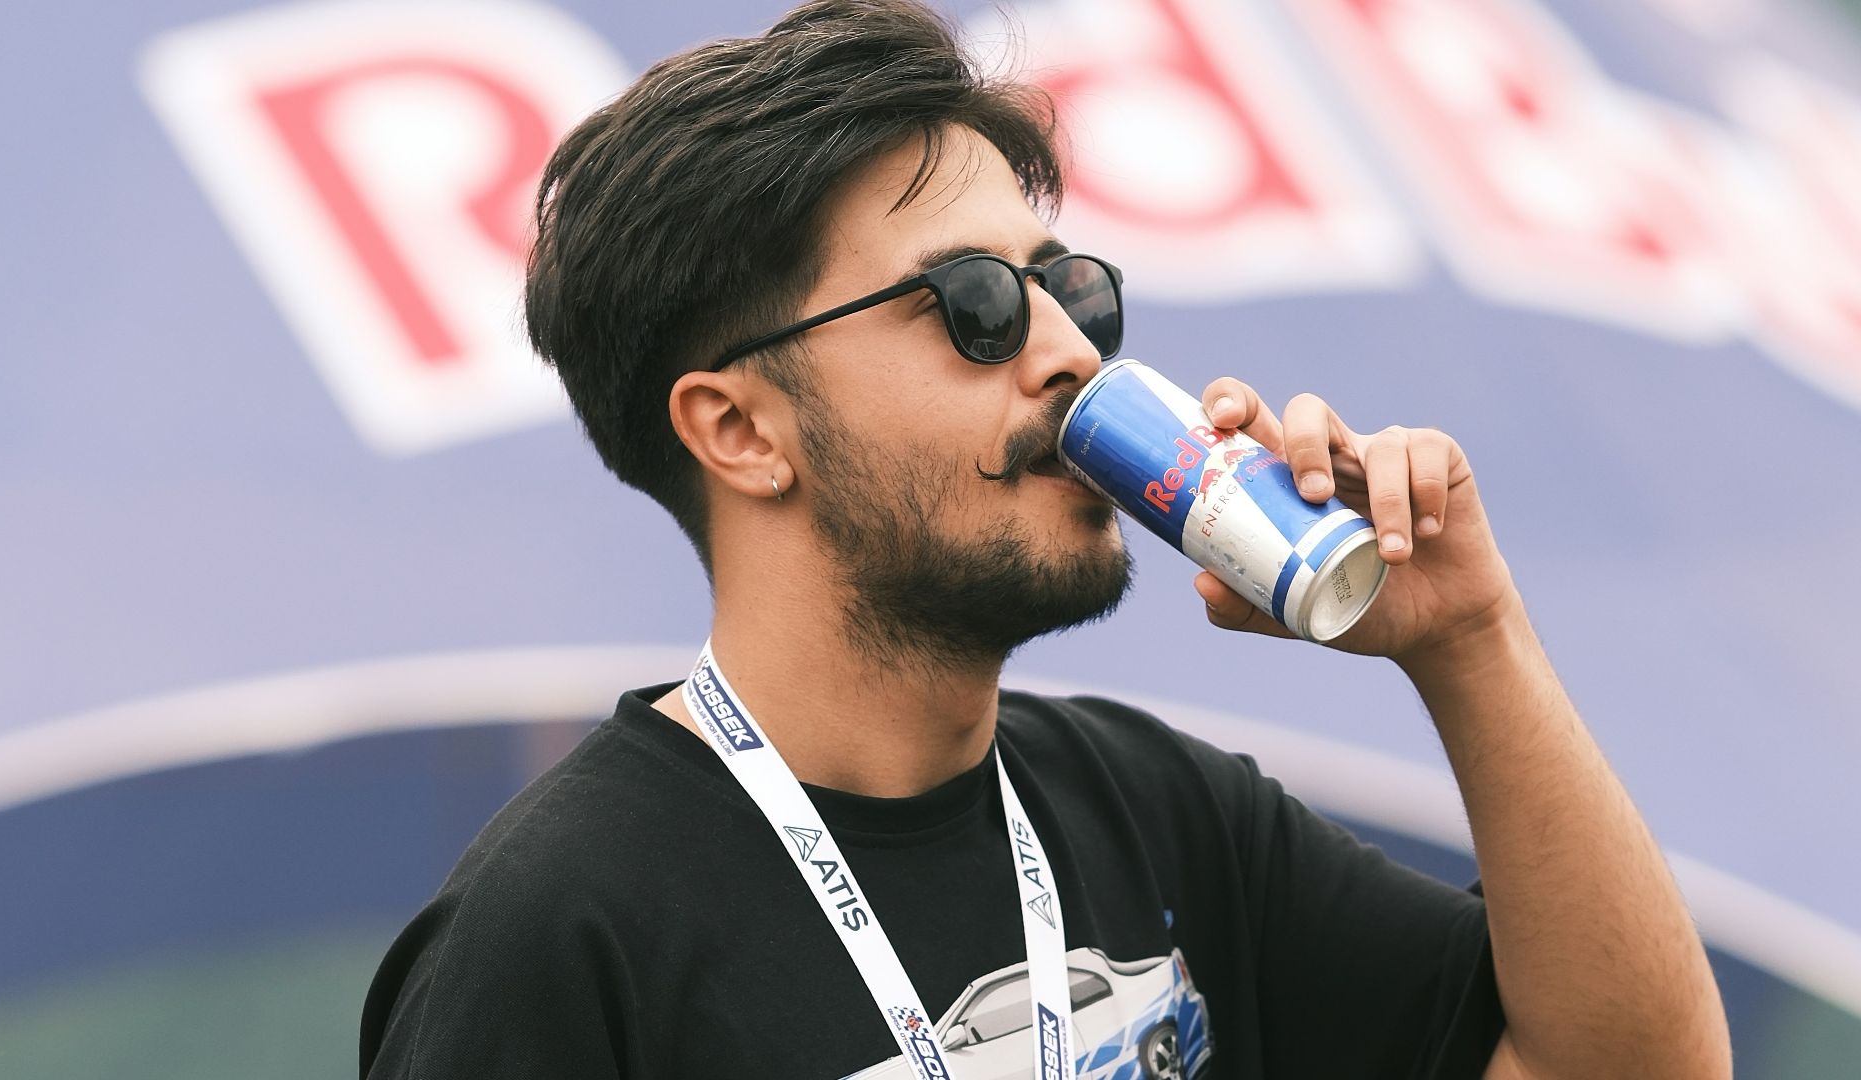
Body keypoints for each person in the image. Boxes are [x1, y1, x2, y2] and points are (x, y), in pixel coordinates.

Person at [359, 2, 1731, 1077]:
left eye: (1067, 285)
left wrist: (1470, 644)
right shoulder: (556, 938)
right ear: (740, 431)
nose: (1069, 349)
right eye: (973, 304)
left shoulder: (1162, 816)